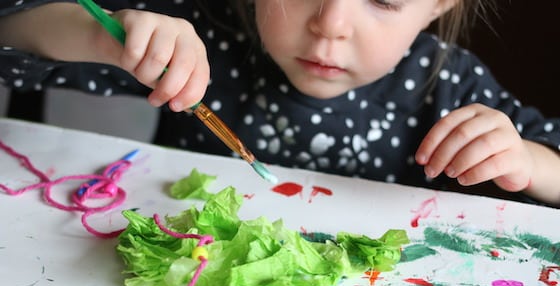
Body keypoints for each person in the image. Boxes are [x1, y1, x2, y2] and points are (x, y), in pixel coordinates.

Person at [0, 0, 559, 207]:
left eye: (383, 1)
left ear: (440, 5)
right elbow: (13, 41)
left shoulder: (450, 84)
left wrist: (530, 162)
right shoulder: (206, 37)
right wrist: (99, 36)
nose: (331, 24)